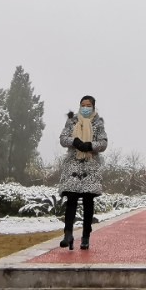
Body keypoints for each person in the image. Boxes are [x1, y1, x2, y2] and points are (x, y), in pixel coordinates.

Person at [57, 94, 108, 250]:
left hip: (90, 165)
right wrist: (75, 141)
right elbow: (62, 138)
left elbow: (104, 143)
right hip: (73, 164)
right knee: (71, 198)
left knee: (88, 201)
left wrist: (90, 146)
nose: (85, 108)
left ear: (93, 106)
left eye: (88, 105)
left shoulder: (98, 123)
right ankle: (68, 234)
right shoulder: (72, 121)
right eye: (83, 105)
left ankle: (86, 236)